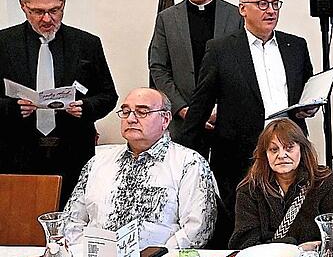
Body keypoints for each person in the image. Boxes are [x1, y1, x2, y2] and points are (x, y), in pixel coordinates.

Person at [183, 0, 316, 218]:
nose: (271, 11)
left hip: (289, 148)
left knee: (293, 215)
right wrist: (184, 153)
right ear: (243, 9)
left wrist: (308, 107)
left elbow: (305, 90)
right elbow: (201, 103)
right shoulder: (221, 49)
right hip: (239, 153)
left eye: (275, 4)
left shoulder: (295, 46)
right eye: (262, 4)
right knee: (245, 220)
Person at [0, 0, 118, 207]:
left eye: (54, 11)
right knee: (20, 216)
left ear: (63, 4)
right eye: (38, 12)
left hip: (72, 150)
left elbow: (108, 95)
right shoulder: (4, 43)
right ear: (23, 6)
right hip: (17, 151)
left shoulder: (86, 43)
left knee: (74, 215)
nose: (47, 19)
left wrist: (86, 107)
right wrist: (11, 108)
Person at [63, 88, 218, 248]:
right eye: (125, 112)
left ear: (165, 119)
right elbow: (71, 220)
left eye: (142, 112)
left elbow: (197, 231)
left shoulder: (189, 163)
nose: (131, 119)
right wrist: (86, 254)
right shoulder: (98, 162)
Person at [148, 0, 243, 148]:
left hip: (227, 119)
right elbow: (158, 67)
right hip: (183, 121)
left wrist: (220, 108)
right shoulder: (167, 19)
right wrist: (183, 108)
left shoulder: (235, 16)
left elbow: (243, 67)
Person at [229, 119, 333, 249]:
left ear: (302, 149)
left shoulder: (327, 184)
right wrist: (290, 247)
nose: (281, 155)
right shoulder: (250, 189)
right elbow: (243, 243)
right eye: (274, 149)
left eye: (289, 148)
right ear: (265, 154)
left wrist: (317, 247)